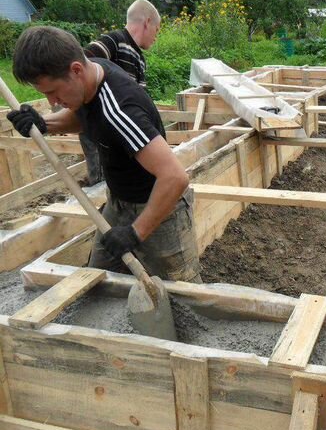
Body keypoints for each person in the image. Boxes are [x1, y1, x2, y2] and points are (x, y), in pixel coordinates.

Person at [8, 26, 201, 283]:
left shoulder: (121, 110)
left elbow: (175, 178)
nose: (53, 101)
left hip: (159, 206)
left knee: (184, 293)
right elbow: (86, 118)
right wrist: (45, 124)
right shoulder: (91, 74)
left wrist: (134, 233)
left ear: (76, 70)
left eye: (53, 92)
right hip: (118, 202)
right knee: (99, 278)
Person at [81, 0, 161, 184]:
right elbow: (84, 64)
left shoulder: (139, 58)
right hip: (102, 130)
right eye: (156, 30)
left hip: (123, 132)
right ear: (147, 22)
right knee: (102, 182)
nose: (156, 37)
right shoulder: (115, 40)